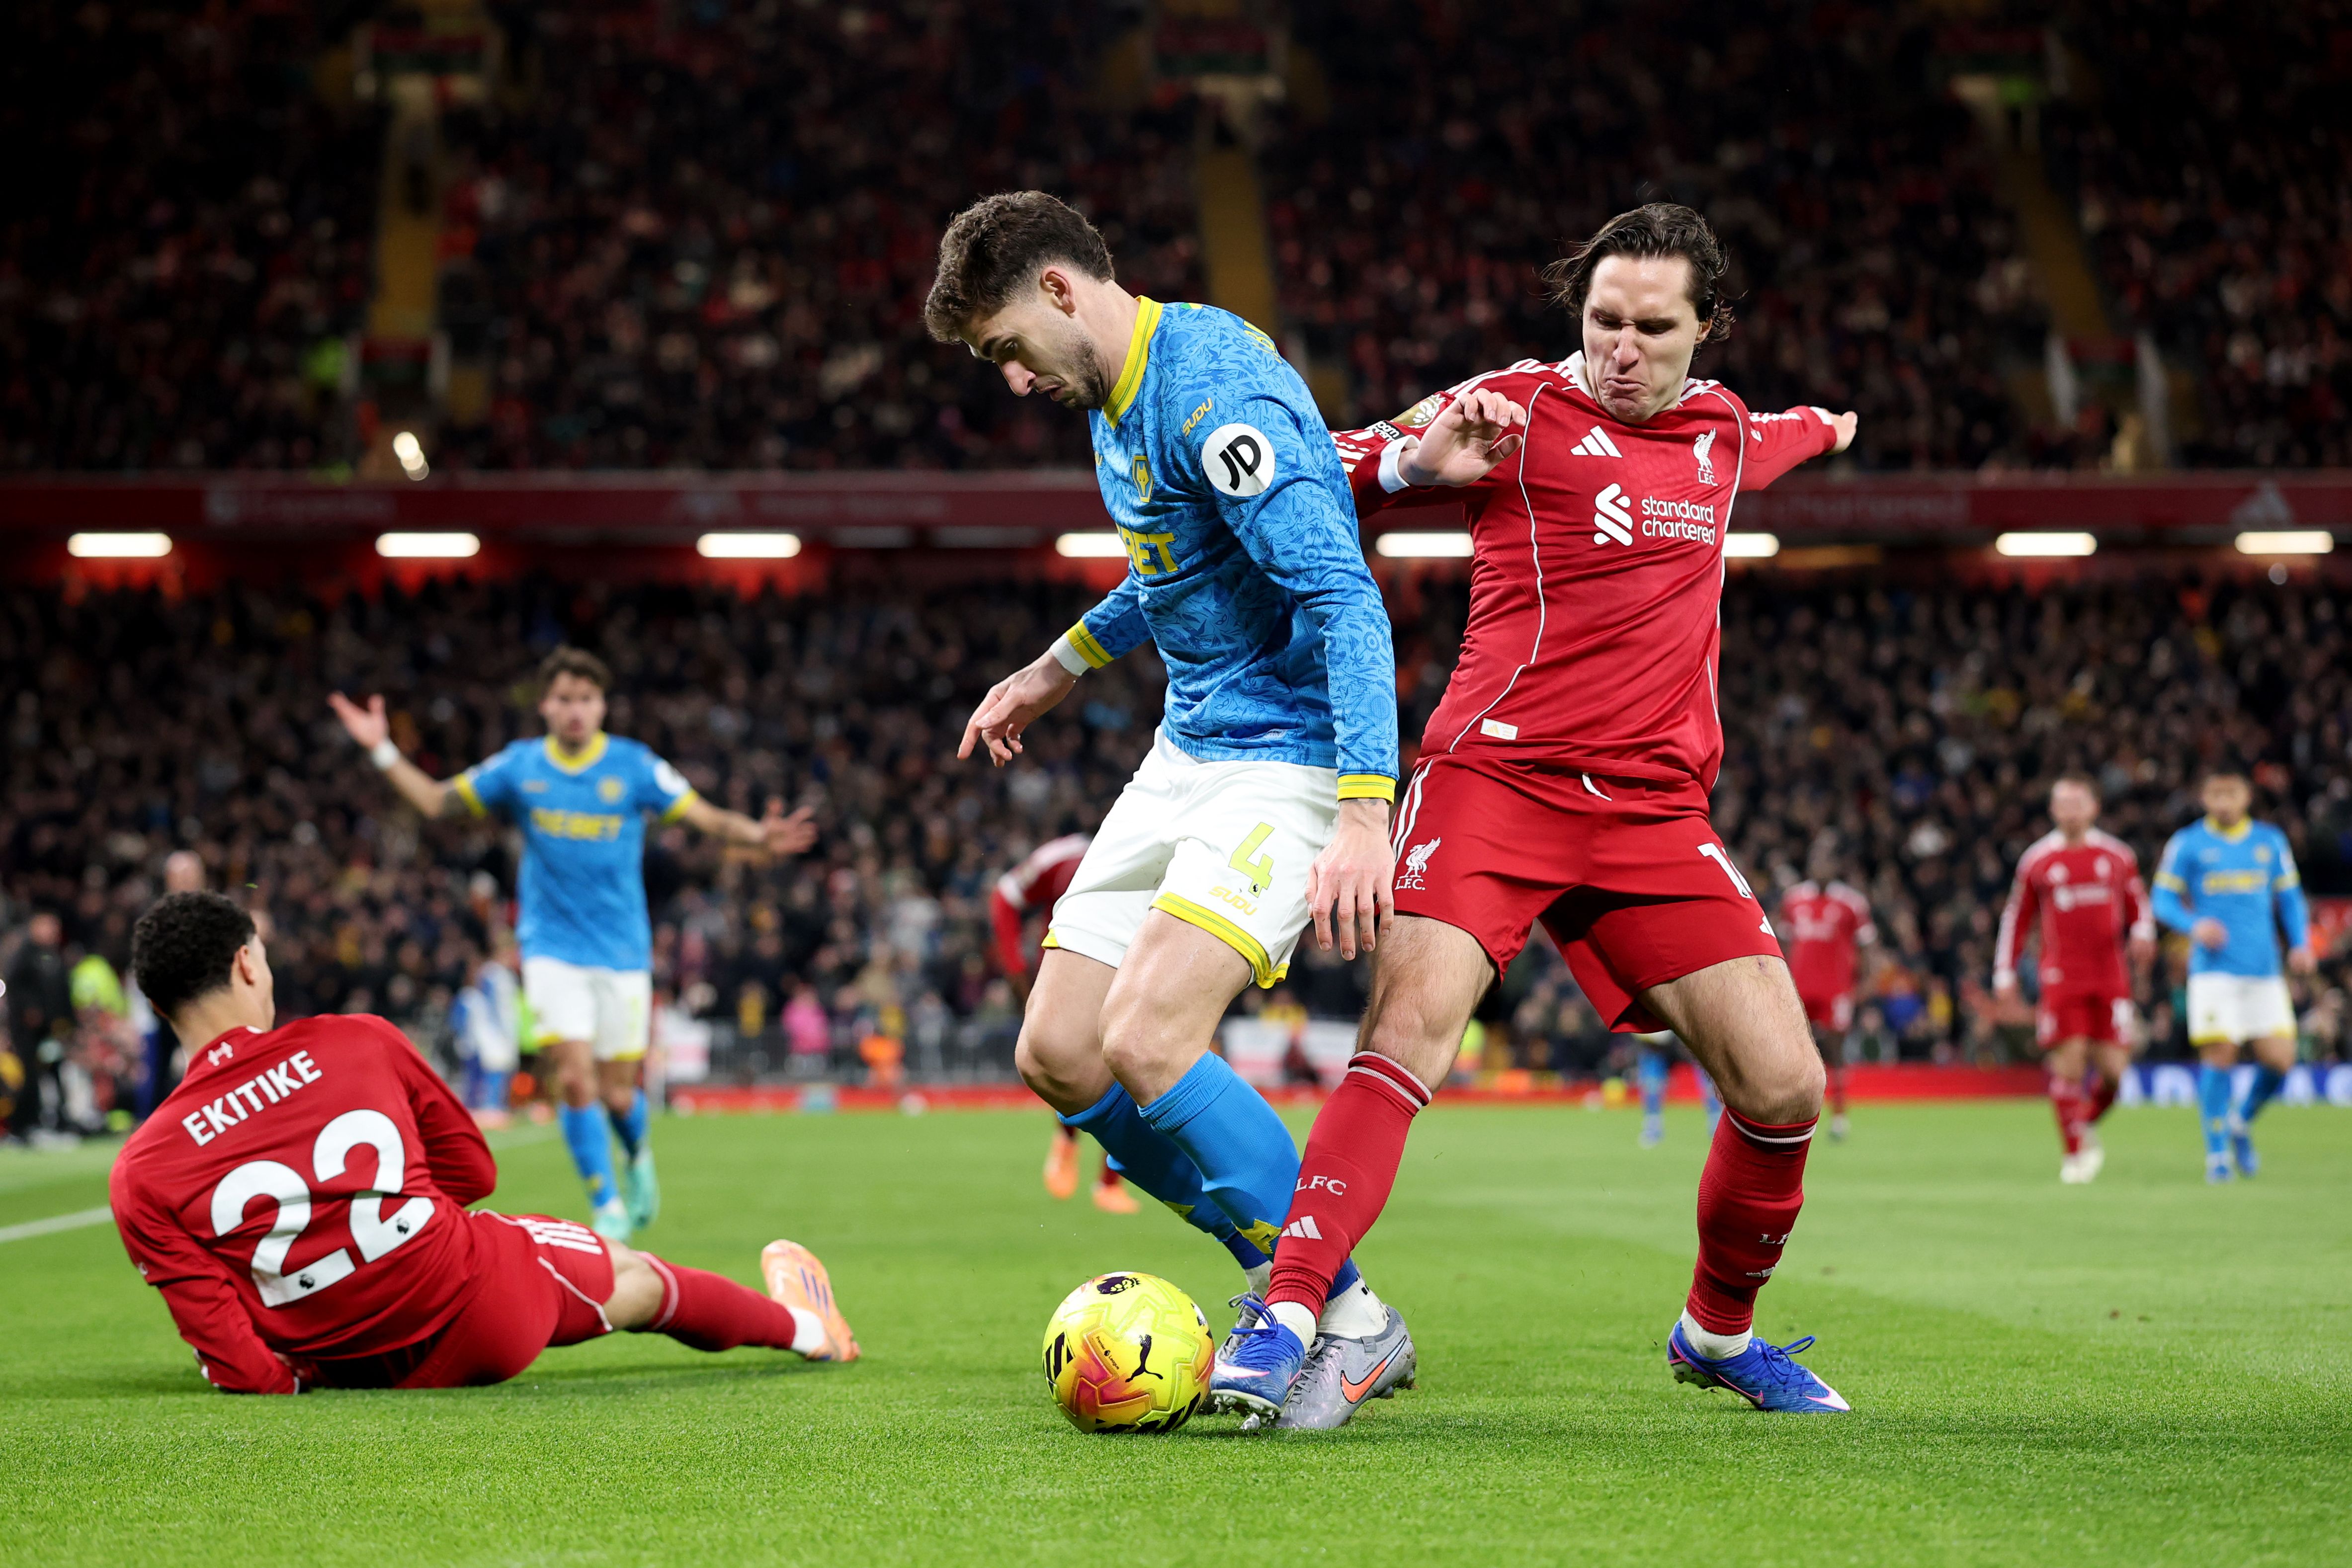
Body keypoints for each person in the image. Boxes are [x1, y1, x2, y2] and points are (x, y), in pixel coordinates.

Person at [1218, 203, 1859, 1421]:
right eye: (1601, 319)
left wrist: (1833, 424)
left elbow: (1777, 436)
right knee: (1407, 1032)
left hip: (1653, 811)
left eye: (1651, 328)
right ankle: (1290, 1311)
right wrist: (1418, 459)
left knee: (1786, 1087)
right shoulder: (1511, 406)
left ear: (1705, 328)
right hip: (1495, 781)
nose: (1619, 347)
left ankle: (1717, 1335)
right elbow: (1318, 469)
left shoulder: (1721, 428)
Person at [927, 189, 1409, 1427]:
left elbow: (1344, 594)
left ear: (1058, 291)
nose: (1014, 381)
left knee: (1149, 1037)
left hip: (1291, 758)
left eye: (1005, 351)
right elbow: (1172, 569)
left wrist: (1364, 809)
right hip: (1187, 746)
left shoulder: (1216, 390)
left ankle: (1335, 1315)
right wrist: (1055, 666)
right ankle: (1297, 1280)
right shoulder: (1115, 397)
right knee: (1061, 1048)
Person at [109, 891, 856, 1394]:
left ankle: (800, 1324)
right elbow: (474, 1167)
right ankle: (807, 1327)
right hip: (475, 1302)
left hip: (343, 1361)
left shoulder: (142, 1168)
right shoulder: (356, 1040)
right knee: (640, 1277)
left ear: (154, 1003)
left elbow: (237, 1359)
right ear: (248, 962)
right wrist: (396, 1221)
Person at [330, 646, 817, 1239]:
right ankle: (606, 1202)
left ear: (602, 705)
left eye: (586, 698)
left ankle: (638, 1156)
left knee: (618, 1092)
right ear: (545, 705)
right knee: (575, 1078)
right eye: (563, 698)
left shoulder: (635, 767)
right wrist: (381, 747)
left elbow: (710, 820)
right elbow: (436, 801)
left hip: (623, 952)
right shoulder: (521, 766)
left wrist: (759, 835)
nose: (575, 710)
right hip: (551, 949)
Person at [2152, 770, 2315, 1182]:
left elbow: (2290, 897)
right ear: (2204, 797)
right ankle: (2217, 1154)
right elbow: (2162, 898)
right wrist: (2193, 925)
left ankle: (2240, 1120)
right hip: (2213, 972)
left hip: (2263, 970)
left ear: (2247, 796)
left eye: (2231, 793)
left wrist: (2300, 943)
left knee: (2280, 1059)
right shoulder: (2188, 843)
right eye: (2215, 793)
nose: (2223, 801)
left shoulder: (2269, 841)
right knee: (2219, 1054)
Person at [1992, 775, 2155, 1183]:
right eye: (2062, 803)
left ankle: (2081, 1124)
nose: (2070, 810)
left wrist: (2142, 934)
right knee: (2069, 1063)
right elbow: (2017, 917)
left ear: (2094, 808)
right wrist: (2005, 971)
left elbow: (2139, 905)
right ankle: (2074, 1154)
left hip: (2111, 976)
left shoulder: (2117, 855)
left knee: (2116, 1072)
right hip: (2062, 977)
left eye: (2077, 802)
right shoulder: (2038, 860)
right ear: (2052, 810)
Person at [989, 833, 1136, 1213]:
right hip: (1065, 967)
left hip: (1127, 967)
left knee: (1128, 1067)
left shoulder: (1158, 858)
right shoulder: (1064, 856)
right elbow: (1004, 896)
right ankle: (1067, 1139)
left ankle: (1108, 1180)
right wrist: (1015, 966)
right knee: (1070, 1060)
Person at [1780, 846, 1879, 1142]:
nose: (1820, 868)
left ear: (1836, 866)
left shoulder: (1851, 903)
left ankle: (1838, 1117)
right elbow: (1782, 944)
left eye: (1826, 862)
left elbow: (1868, 946)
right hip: (1797, 989)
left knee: (1835, 1053)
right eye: (1816, 862)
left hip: (1836, 991)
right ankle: (1792, 1115)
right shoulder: (1794, 899)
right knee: (1793, 1052)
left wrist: (1868, 982)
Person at [4, 910, 74, 1143]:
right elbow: (15, 987)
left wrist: (68, 1022)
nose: (52, 931)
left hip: (51, 1032)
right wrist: (29, 1010)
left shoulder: (54, 956)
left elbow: (63, 992)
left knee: (57, 1074)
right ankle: (25, 1126)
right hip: (27, 1032)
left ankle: (59, 1121)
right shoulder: (23, 955)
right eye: (47, 926)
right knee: (30, 1077)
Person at [1635, 1028, 1720, 1148]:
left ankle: (1716, 1126)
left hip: (1688, 1038)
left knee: (1708, 1082)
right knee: (1651, 1084)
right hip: (1658, 1044)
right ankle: (1653, 1128)